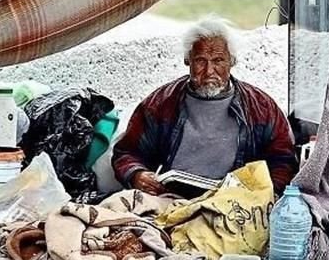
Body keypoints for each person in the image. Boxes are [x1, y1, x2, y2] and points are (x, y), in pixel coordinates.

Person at [112, 16, 298, 196]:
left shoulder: (261, 107)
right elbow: (127, 152)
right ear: (188, 60)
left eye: (218, 61)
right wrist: (137, 175)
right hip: (170, 199)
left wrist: (267, 196)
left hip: (233, 205)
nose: (209, 71)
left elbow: (283, 160)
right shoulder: (160, 103)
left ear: (231, 61)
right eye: (201, 61)